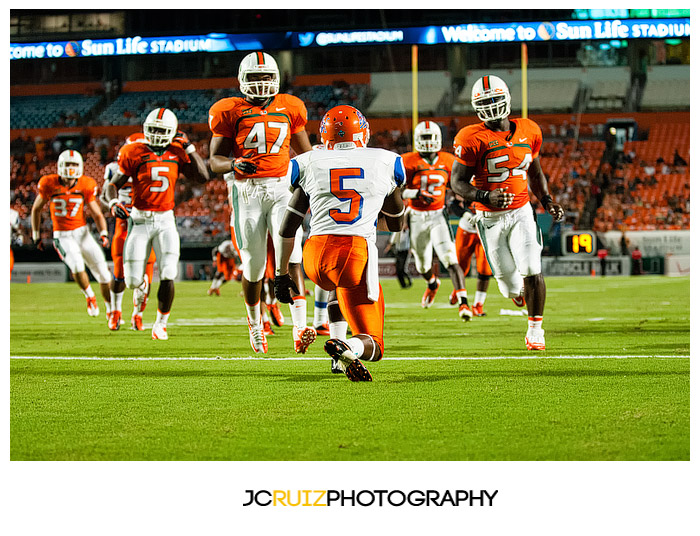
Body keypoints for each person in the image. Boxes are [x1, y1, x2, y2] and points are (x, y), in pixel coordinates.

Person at [273, 105, 406, 382]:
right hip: (354, 253)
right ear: (363, 133)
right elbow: (396, 224)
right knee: (374, 342)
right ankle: (349, 347)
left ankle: (338, 359)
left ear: (325, 136)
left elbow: (288, 227)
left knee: (336, 287)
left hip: (314, 255)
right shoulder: (385, 160)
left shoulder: (308, 161)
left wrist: (281, 274)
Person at [208, 51, 315, 354]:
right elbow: (214, 161)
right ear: (242, 79)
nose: (261, 83)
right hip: (248, 193)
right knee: (254, 266)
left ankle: (299, 326)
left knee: (292, 256)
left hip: (282, 188)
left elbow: (305, 155)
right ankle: (255, 325)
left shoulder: (290, 107)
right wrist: (233, 164)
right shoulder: (229, 110)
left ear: (276, 77)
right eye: (254, 77)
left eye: (266, 76)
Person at [451, 75, 564, 350]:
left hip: (522, 212)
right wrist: (485, 195)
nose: (491, 106)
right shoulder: (470, 136)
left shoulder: (530, 130)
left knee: (532, 268)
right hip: (489, 218)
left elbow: (535, 173)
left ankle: (535, 329)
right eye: (485, 102)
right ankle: (517, 294)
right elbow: (457, 181)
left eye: (494, 100)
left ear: (507, 99)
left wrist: (547, 200)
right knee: (509, 287)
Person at [103, 107, 209, 340]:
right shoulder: (133, 151)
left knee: (169, 273)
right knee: (131, 281)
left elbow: (202, 176)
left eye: (162, 130)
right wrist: (112, 203)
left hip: (165, 220)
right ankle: (137, 292)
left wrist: (189, 147)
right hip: (139, 219)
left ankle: (161, 323)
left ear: (172, 132)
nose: (157, 135)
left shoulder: (176, 151)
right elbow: (113, 184)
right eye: (152, 130)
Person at [401, 121, 472, 321]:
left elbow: (457, 185)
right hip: (416, 216)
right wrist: (416, 193)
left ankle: (463, 303)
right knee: (423, 266)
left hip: (438, 215)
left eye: (431, 137)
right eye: (424, 138)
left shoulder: (449, 161)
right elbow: (395, 191)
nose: (428, 142)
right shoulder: (407, 161)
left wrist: (461, 198)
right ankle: (432, 284)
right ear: (417, 140)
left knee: (450, 258)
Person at [30, 149, 113, 318]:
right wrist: (36, 234)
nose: (70, 168)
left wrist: (103, 232)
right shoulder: (49, 183)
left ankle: (112, 310)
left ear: (81, 166)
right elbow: (36, 209)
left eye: (74, 164)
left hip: (82, 233)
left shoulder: (86, 184)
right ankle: (90, 296)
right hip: (62, 235)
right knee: (76, 265)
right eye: (67, 164)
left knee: (104, 273)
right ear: (60, 166)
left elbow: (97, 213)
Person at [102, 135, 157, 331]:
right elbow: (104, 195)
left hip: (146, 221)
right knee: (119, 271)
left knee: (147, 272)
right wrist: (113, 204)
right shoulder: (114, 168)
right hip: (123, 222)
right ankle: (115, 312)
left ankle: (138, 315)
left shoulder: (154, 164)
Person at [453, 204, 492, 316]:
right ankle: (458, 288)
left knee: (485, 269)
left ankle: (478, 305)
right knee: (461, 268)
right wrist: (466, 215)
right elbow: (454, 204)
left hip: (485, 231)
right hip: (466, 230)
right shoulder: (465, 186)